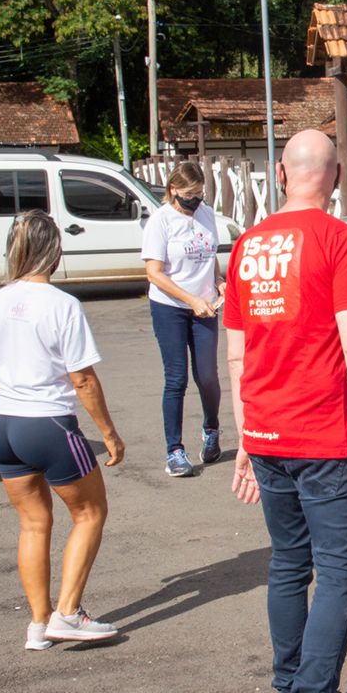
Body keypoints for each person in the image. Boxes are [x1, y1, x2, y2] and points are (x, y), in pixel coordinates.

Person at [224, 129, 347, 693]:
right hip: (324, 433)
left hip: (266, 430)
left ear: (279, 172)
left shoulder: (247, 244)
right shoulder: (338, 239)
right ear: (338, 174)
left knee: (290, 564)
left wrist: (244, 437)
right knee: (339, 574)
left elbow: (236, 352)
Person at [0, 209, 126, 651]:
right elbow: (82, 379)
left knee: (33, 524)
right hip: (47, 423)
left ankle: (38, 625)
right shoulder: (63, 305)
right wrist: (110, 434)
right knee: (90, 513)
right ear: (55, 251)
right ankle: (69, 613)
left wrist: (0, 414)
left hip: (2, 423)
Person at [141, 161, 225, 477]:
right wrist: (190, 300)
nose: (195, 200)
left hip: (206, 305)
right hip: (170, 308)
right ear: (174, 190)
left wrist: (218, 281)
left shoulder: (206, 213)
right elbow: (154, 273)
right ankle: (174, 451)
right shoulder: (160, 221)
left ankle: (211, 429)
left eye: (200, 194)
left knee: (207, 375)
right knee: (176, 378)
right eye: (190, 194)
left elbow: (209, 254)